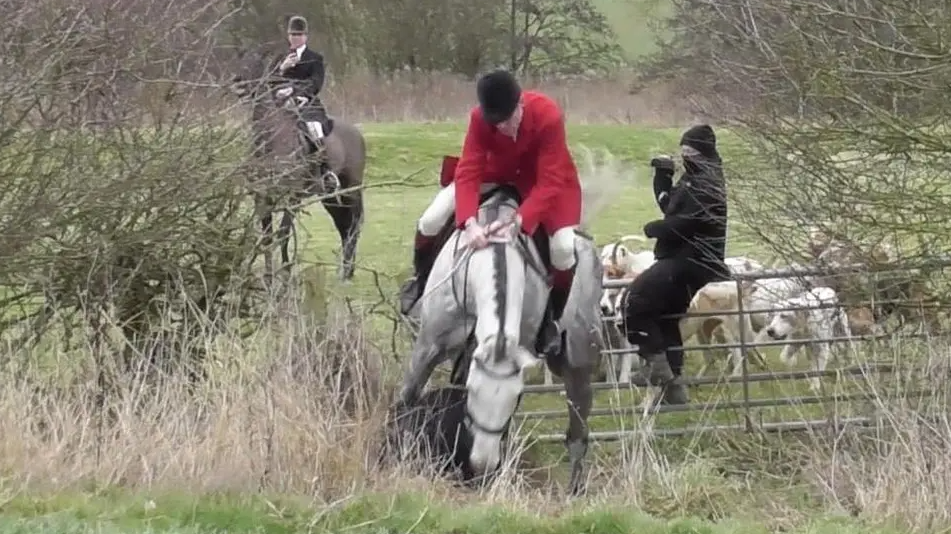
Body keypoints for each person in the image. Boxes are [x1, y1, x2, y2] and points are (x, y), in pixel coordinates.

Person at [397, 69, 582, 359]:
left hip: (540, 182)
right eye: (498, 123)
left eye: (510, 119)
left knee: (564, 249)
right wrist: (469, 223)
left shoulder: (548, 115)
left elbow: (550, 180)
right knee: (431, 219)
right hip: (494, 174)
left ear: (521, 103)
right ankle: (420, 282)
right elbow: (469, 170)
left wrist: (520, 220)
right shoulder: (479, 119)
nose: (505, 128)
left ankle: (550, 320)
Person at [622, 124, 728, 405]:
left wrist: (656, 229)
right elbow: (672, 208)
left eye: (689, 151)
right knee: (665, 318)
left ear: (702, 152)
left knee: (635, 301)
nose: (685, 156)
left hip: (691, 260)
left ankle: (657, 368)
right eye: (683, 151)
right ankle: (675, 391)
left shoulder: (707, 182)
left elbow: (687, 222)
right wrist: (662, 179)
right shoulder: (695, 178)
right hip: (686, 259)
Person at [275, 15, 336, 185]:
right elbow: (269, 81)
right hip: (280, 103)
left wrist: (297, 92)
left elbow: (316, 82)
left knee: (314, 128)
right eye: (292, 35)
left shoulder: (315, 58)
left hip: (306, 103)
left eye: (298, 35)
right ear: (288, 36)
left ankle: (326, 170)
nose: (295, 38)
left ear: (305, 37)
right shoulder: (281, 58)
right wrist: (282, 69)